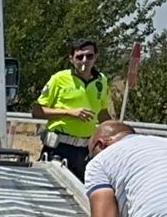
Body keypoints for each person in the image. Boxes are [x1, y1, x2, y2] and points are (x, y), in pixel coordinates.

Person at [33, 40, 113, 179]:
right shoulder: (59, 79)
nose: (84, 61)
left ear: (96, 57)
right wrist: (69, 112)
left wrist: (118, 133)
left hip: (84, 151)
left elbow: (102, 113)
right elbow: (37, 111)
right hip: (58, 148)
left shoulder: (101, 81)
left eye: (89, 56)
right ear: (71, 59)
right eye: (79, 57)